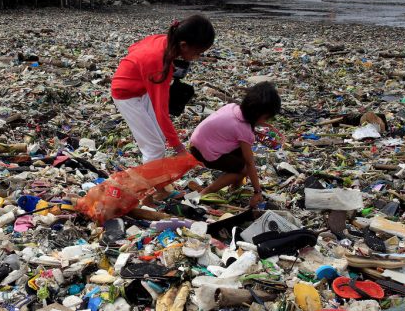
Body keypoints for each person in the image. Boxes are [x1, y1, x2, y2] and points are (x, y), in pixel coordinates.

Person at [110, 14, 215, 163]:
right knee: (154, 148)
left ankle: (156, 183)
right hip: (126, 95)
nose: (197, 57)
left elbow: (133, 48)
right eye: (197, 53)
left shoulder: (165, 40)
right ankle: (149, 184)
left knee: (159, 136)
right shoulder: (159, 66)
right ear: (184, 45)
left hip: (140, 87)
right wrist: (179, 149)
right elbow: (161, 112)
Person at [189, 81, 281, 207]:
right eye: (266, 118)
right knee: (243, 170)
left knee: (241, 157)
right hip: (203, 152)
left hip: (197, 142)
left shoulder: (232, 107)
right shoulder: (243, 129)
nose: (266, 121)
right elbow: (250, 163)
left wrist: (262, 124)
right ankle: (203, 194)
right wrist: (257, 191)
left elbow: (232, 127)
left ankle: (234, 189)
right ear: (258, 114)